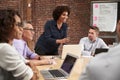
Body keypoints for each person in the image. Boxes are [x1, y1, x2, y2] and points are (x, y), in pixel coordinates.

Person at [0, 9, 39, 80]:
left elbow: (28, 62)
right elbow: (32, 77)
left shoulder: (10, 46)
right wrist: (33, 72)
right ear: (6, 26)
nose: (21, 29)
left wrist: (30, 69)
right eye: (18, 25)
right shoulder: (4, 48)